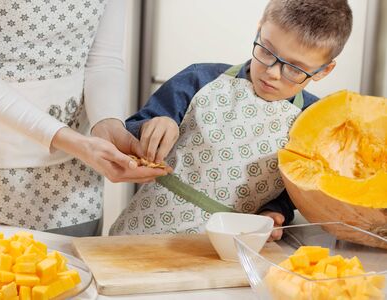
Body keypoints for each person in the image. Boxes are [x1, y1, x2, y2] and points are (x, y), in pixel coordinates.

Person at [110, 0, 353, 238]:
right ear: (259, 28)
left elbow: (296, 192)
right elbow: (129, 134)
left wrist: (276, 211)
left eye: (295, 69)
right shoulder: (199, 79)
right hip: (143, 230)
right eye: (267, 51)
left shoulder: (312, 120)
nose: (272, 72)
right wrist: (152, 125)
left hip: (228, 249)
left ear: (323, 70)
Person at [0, 0, 167, 237]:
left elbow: (103, 60)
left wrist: (108, 124)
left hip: (75, 172)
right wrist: (70, 140)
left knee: (73, 269)